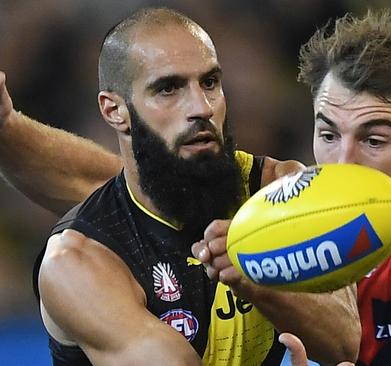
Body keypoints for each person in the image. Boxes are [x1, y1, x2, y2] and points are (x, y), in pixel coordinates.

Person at [0, 8, 391, 366]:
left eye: (374, 138)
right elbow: (127, 193)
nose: (342, 160)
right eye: (326, 133)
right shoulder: (299, 199)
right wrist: (7, 129)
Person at [0, 8, 360, 366]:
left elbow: (345, 343)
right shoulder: (77, 263)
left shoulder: (278, 190)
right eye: (168, 88)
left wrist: (258, 275)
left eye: (210, 83)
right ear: (114, 111)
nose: (201, 107)